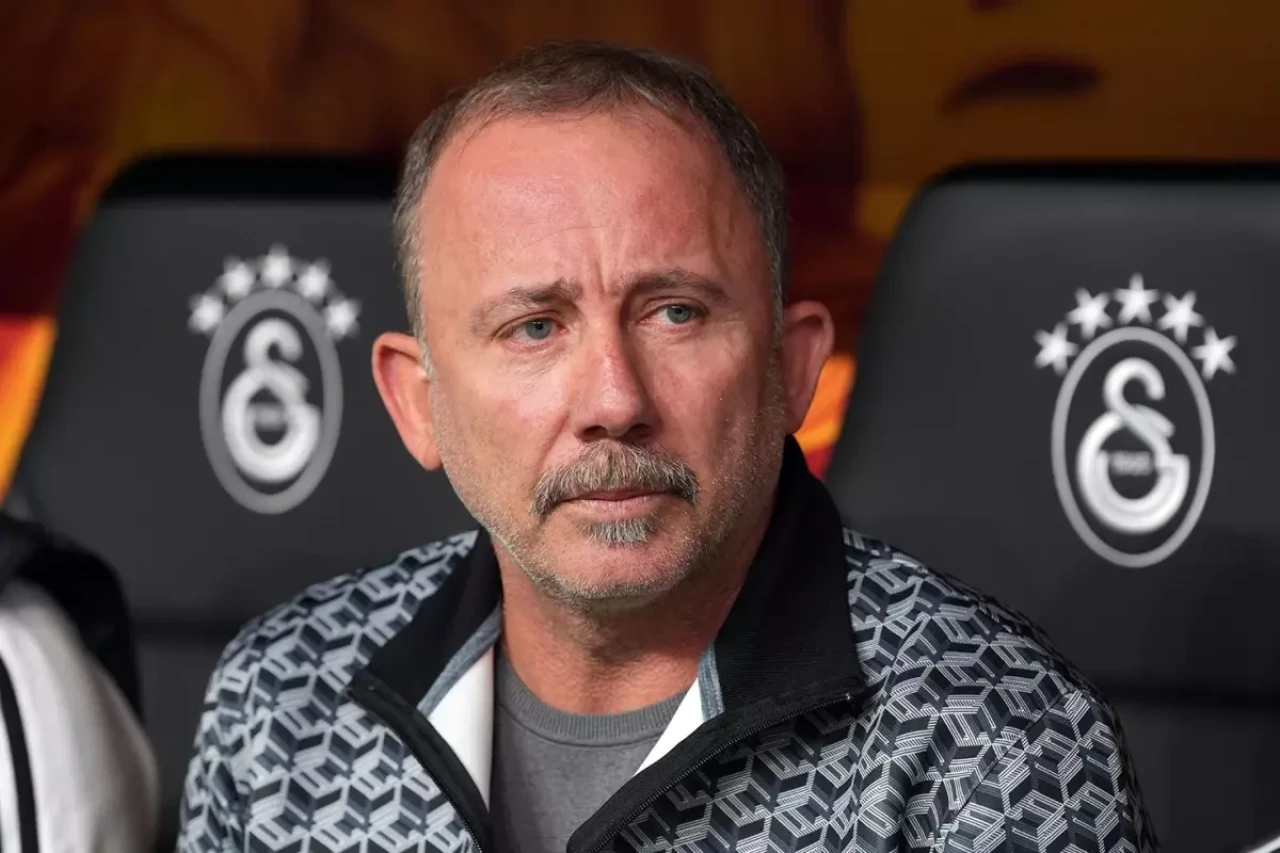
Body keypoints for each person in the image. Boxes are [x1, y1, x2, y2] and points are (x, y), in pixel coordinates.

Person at [176, 41, 1155, 853]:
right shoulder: (280, 704)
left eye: (675, 311)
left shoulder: (995, 740)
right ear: (416, 402)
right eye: (534, 327)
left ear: (791, 369)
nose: (614, 400)